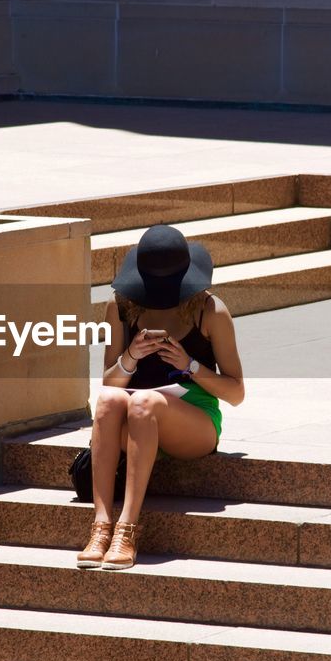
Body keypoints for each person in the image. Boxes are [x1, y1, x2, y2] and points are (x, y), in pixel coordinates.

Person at [78, 224, 245, 570]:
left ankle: (127, 530)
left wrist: (191, 365)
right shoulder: (121, 307)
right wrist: (131, 357)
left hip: (193, 424)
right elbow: (109, 383)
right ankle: (101, 526)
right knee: (111, 401)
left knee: (144, 402)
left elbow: (236, 392)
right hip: (135, 423)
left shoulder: (209, 311)